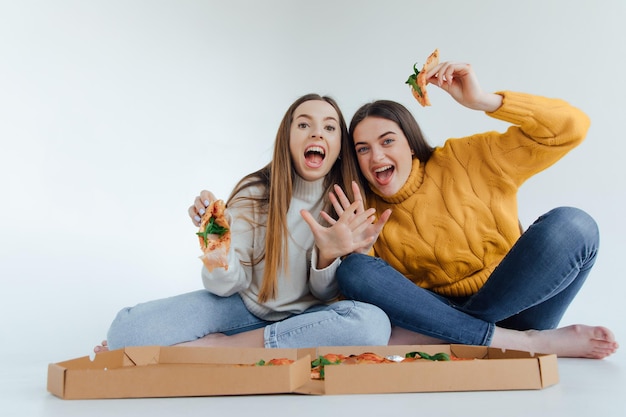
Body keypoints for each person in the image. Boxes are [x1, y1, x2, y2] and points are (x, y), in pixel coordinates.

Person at [329, 60, 619, 359]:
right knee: (355, 270)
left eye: (387, 141)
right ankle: (527, 343)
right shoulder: (363, 211)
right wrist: (356, 252)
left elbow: (570, 128)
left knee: (575, 225)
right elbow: (359, 305)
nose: (376, 156)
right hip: (447, 315)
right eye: (362, 148)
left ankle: (456, 336)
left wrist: (484, 100)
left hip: (517, 306)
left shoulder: (467, 157)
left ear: (410, 144)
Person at [95, 93, 391, 353]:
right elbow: (225, 287)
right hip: (244, 309)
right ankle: (262, 341)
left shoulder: (348, 201)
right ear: (287, 138)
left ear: (340, 146)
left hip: (312, 319)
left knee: (373, 324)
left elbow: (327, 295)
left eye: (329, 127)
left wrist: (327, 257)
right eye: (304, 125)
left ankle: (230, 346)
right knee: (126, 331)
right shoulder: (254, 194)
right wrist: (215, 243)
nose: (317, 134)